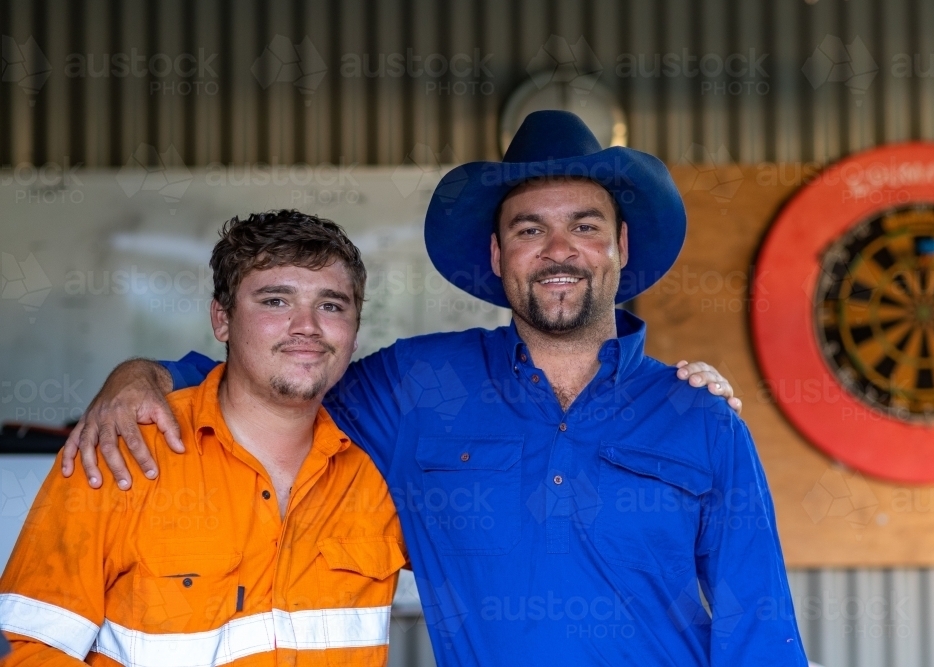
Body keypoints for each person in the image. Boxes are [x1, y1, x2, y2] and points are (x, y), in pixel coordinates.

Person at [62, 111, 806, 665]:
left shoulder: (701, 420)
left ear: (620, 246)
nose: (557, 251)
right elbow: (278, 381)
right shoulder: (417, 386)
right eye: (527, 229)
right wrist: (144, 374)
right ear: (496, 253)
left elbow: (760, 630)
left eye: (584, 225)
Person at [0, 212, 407, 666]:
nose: (307, 326)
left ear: (355, 331)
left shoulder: (382, 467)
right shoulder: (124, 452)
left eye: (332, 305)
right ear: (222, 319)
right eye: (275, 301)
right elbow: (29, 648)